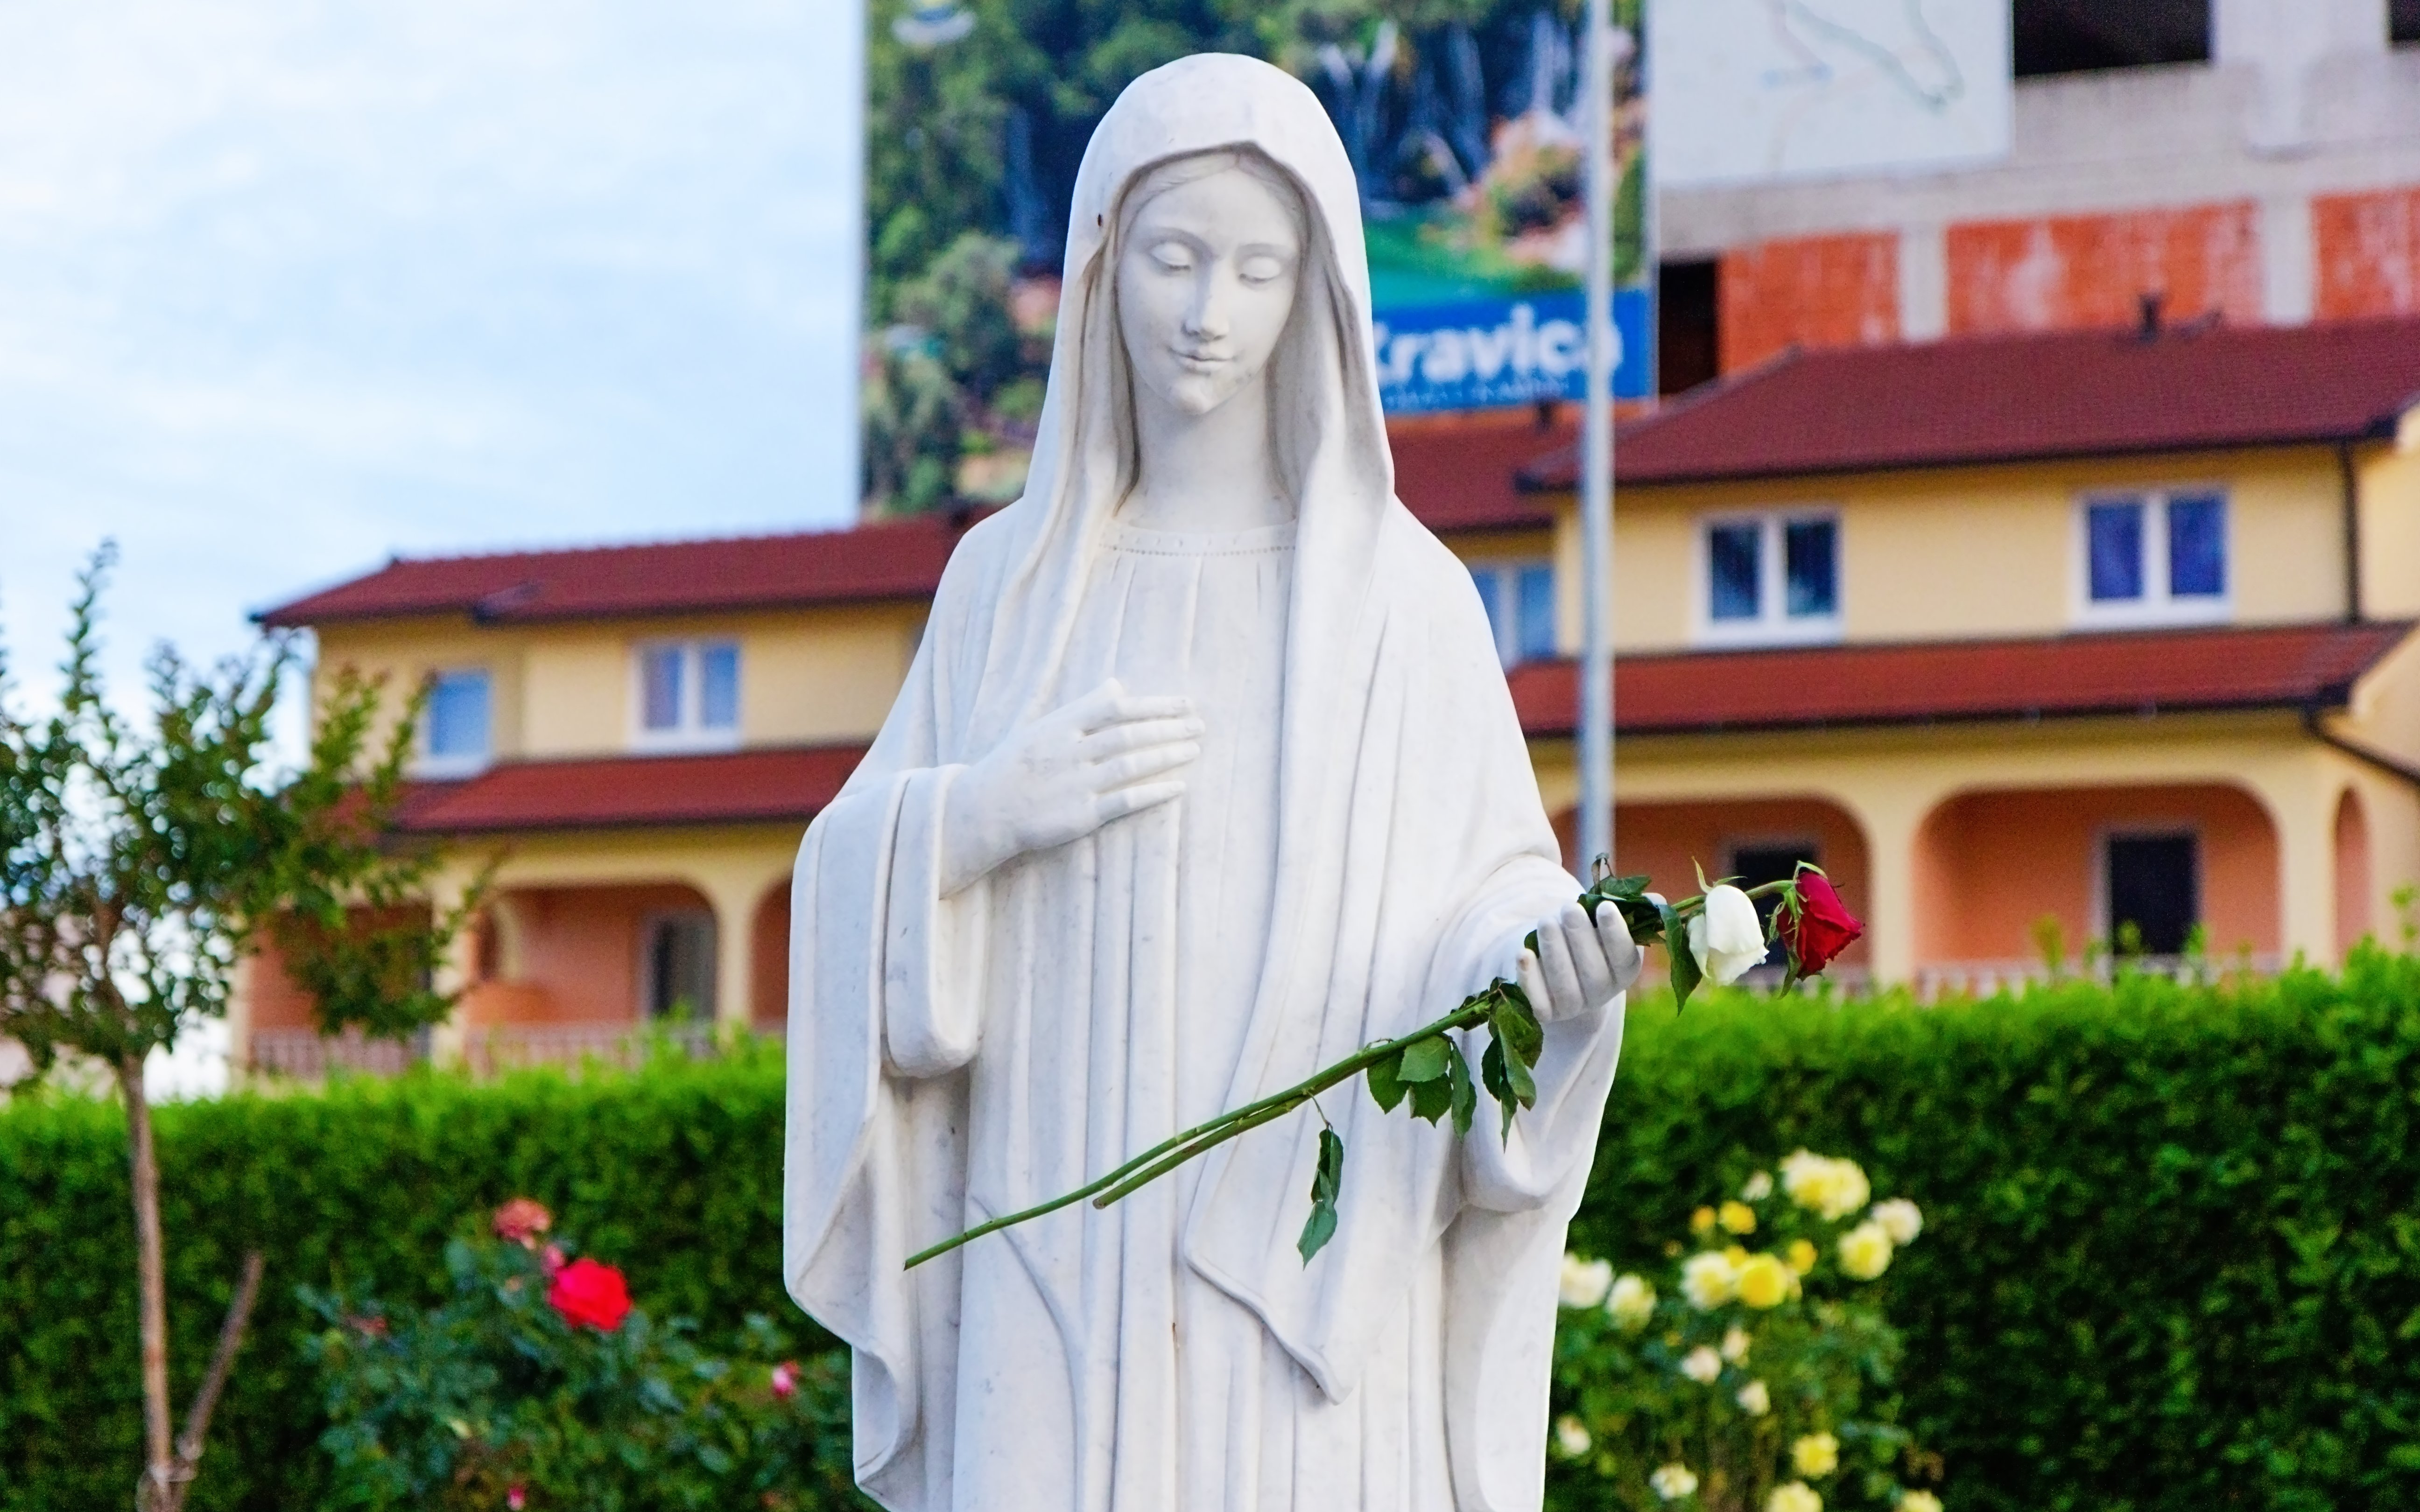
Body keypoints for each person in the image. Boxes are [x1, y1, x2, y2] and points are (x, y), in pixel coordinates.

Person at [786, 53, 1640, 1512]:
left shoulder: (1407, 603)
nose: (1207, 313)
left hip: (1301, 1245)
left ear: (1316, 291)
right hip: (1050, 1211)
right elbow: (850, 869)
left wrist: (1542, 971)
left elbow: (1485, 889)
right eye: (1174, 259)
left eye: (1257, 269)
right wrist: (979, 818)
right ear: (1104, 265)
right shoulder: (1007, 584)